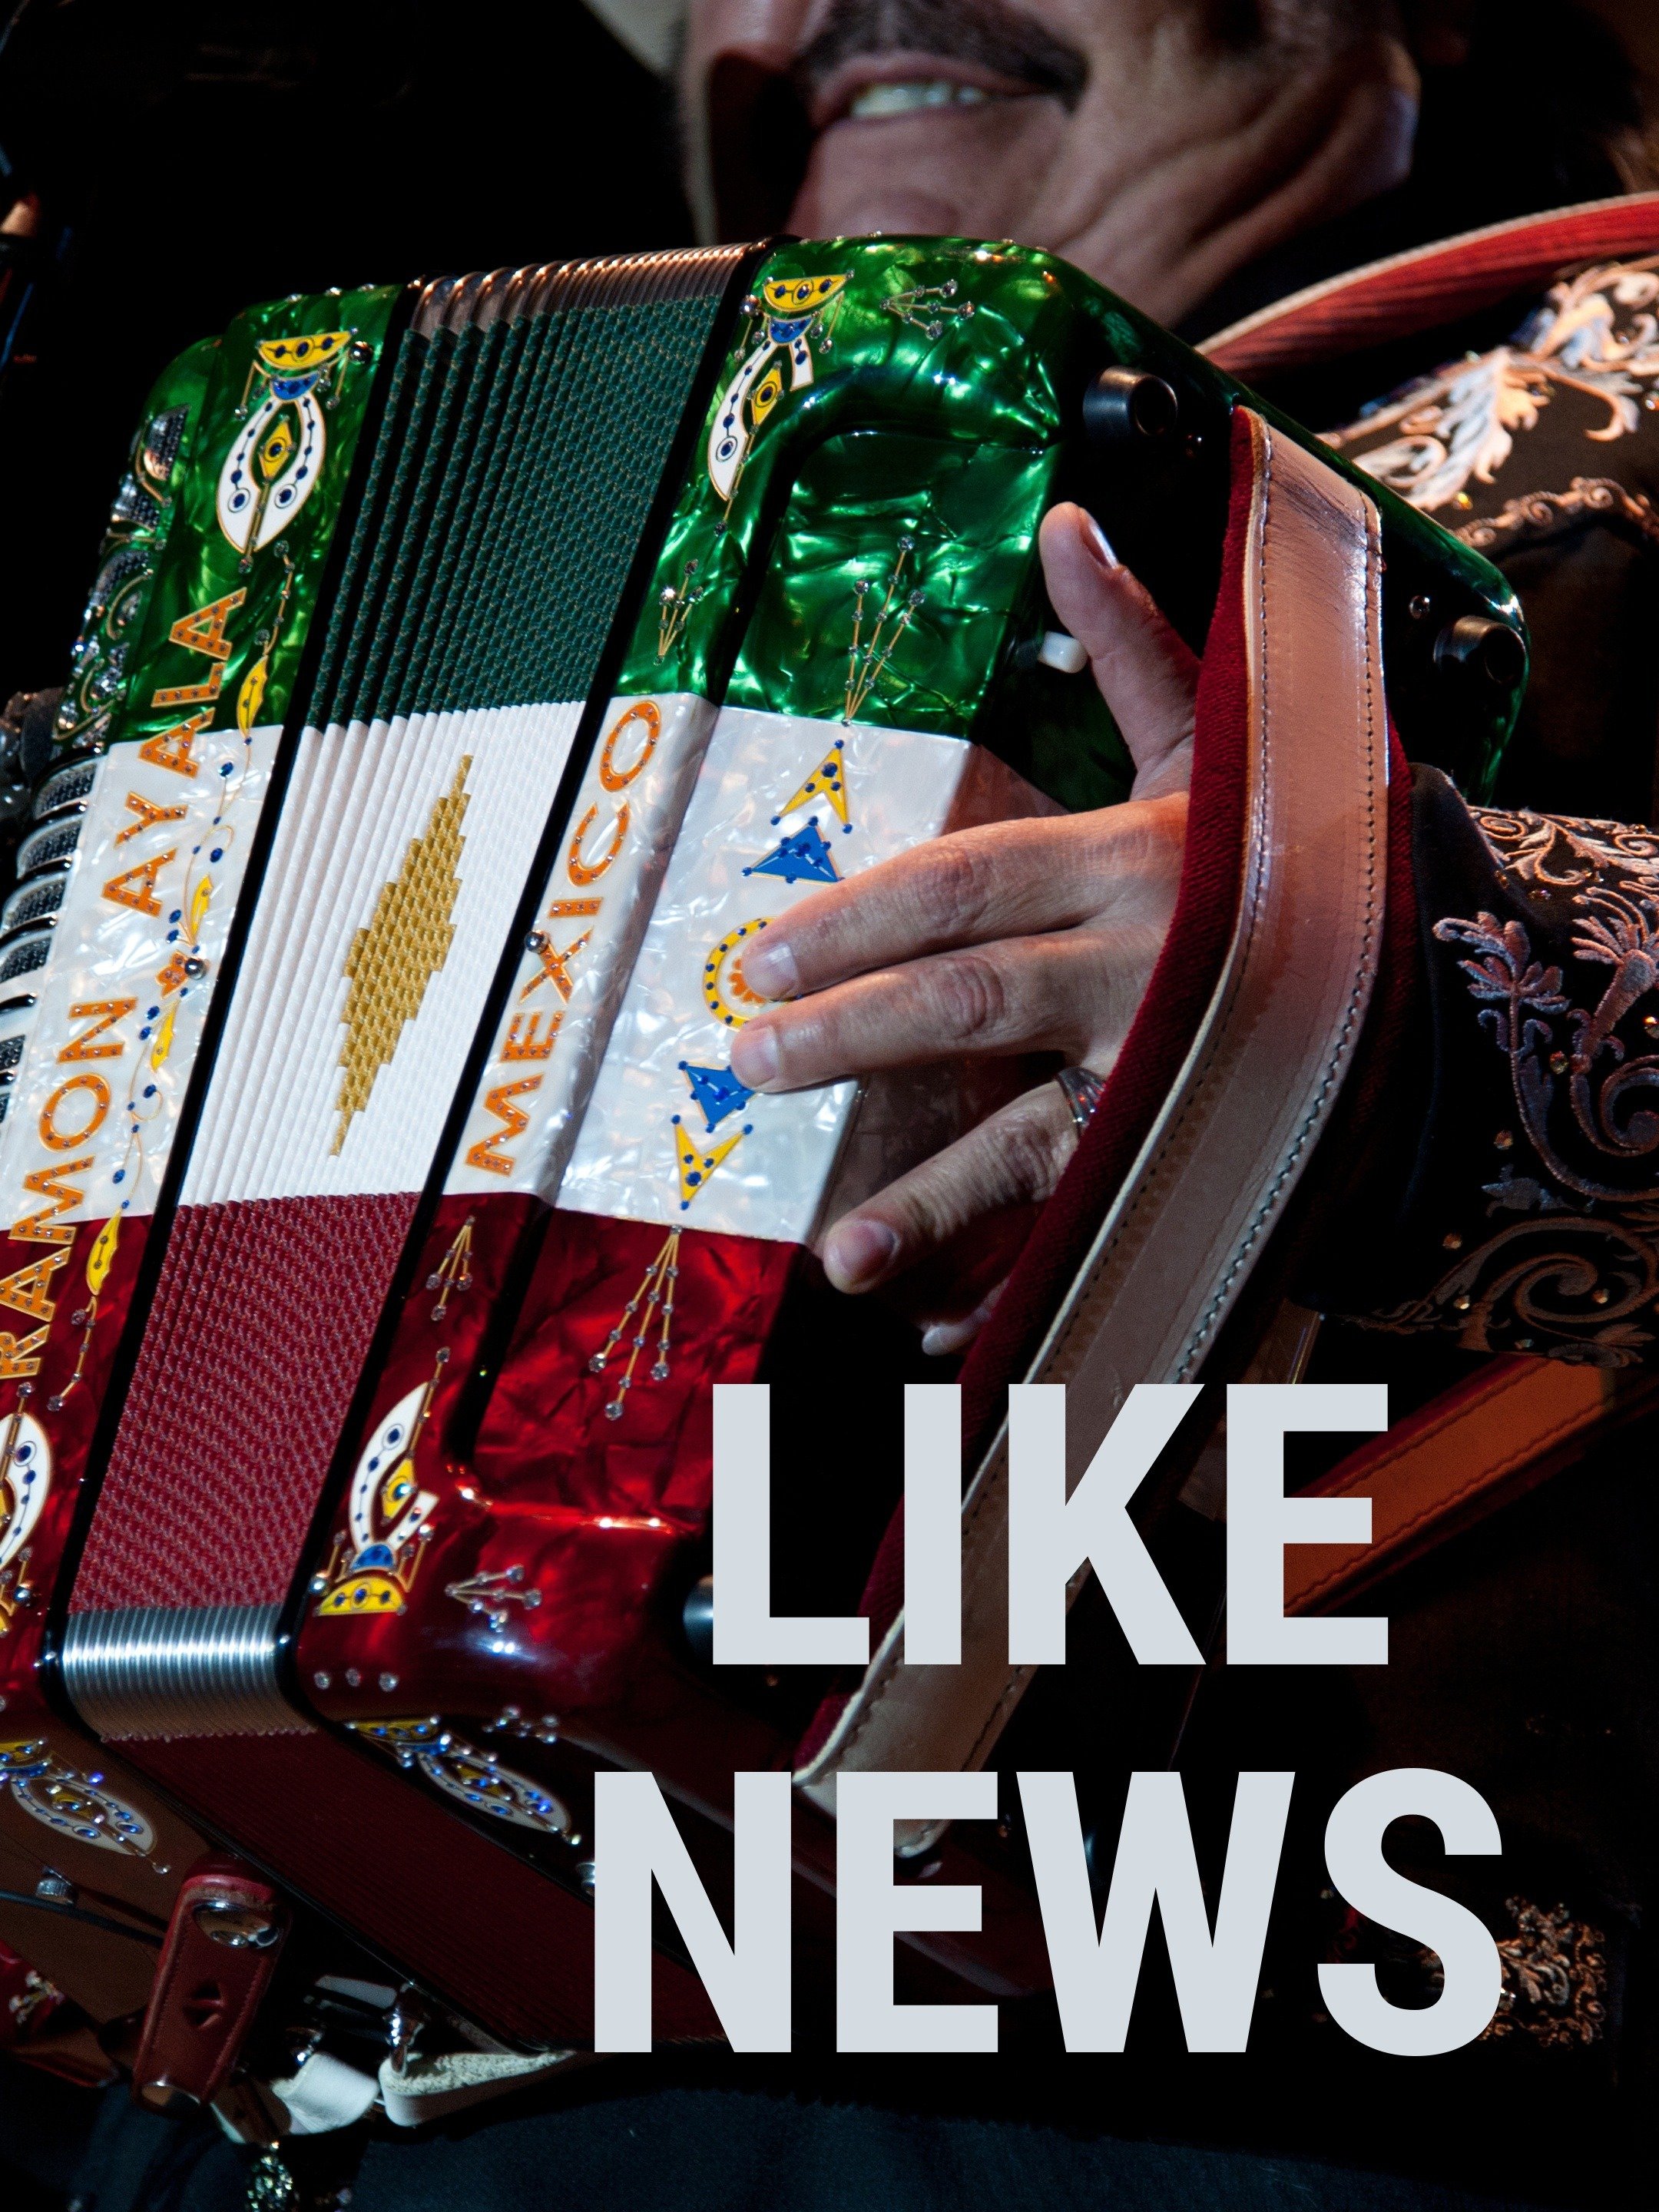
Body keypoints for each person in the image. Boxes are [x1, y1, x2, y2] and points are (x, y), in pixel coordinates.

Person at [15, 2, 1659, 2206]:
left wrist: (1425, 999)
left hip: (1252, 2097)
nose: (806, 10)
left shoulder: (1621, 390)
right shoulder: (544, 504)